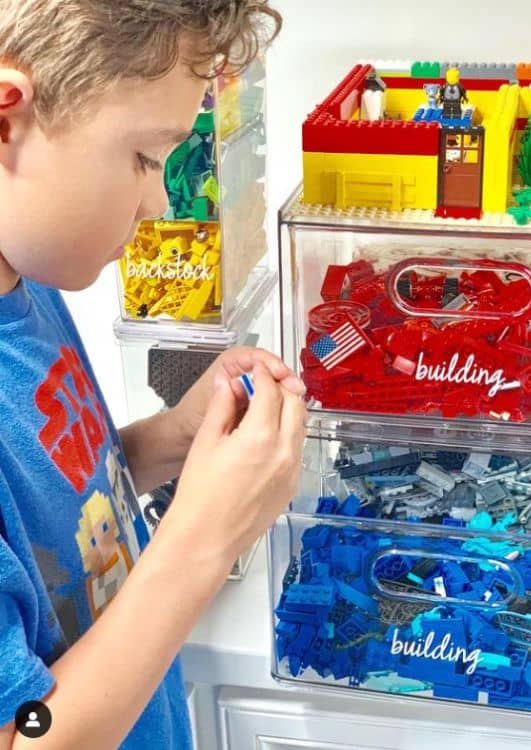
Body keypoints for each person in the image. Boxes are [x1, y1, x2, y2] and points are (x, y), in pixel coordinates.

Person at [0, 2, 307, 749]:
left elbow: (54, 516)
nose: (161, 200)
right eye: (143, 158)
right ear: (7, 116)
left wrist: (172, 439)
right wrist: (204, 538)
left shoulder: (25, 282)